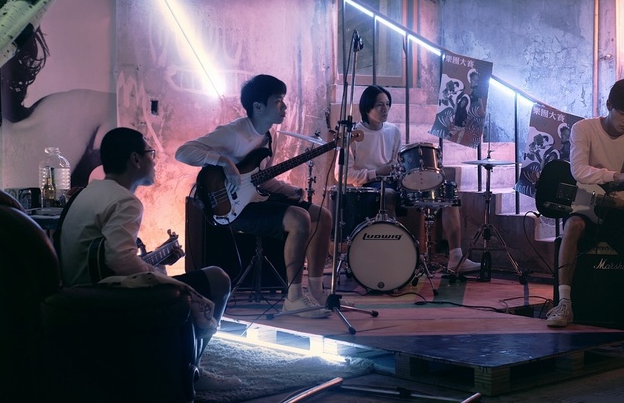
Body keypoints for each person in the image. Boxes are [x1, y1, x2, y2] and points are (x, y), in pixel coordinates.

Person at [58, 127, 241, 390]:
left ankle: (186, 365)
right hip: (102, 295)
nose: (155, 161)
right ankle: (192, 371)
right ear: (135, 159)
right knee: (218, 278)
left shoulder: (88, 193)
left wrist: (156, 262)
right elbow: (121, 261)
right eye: (150, 154)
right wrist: (158, 276)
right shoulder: (125, 202)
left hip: (76, 289)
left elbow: (106, 258)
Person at [176, 74, 334, 318]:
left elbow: (260, 178)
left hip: (254, 199)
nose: (284, 106)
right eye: (278, 101)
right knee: (299, 218)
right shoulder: (233, 132)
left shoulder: (270, 135)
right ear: (258, 107)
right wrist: (223, 161)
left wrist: (289, 190)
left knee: (322, 216)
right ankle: (293, 298)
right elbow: (183, 152)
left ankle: (316, 291)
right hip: (230, 208)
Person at [546, 79, 624, 336]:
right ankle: (564, 304)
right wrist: (616, 176)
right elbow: (578, 171)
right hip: (586, 208)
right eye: (623, 112)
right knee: (572, 226)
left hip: (618, 212)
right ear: (609, 105)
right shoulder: (583, 129)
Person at [341, 85, 482, 273]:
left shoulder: (393, 131)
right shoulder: (353, 135)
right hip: (368, 186)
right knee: (388, 194)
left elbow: (397, 163)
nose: (385, 109)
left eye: (387, 104)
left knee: (448, 191)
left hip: (394, 181)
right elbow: (342, 175)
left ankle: (456, 257)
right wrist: (376, 173)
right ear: (367, 108)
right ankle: (392, 258)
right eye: (379, 105)